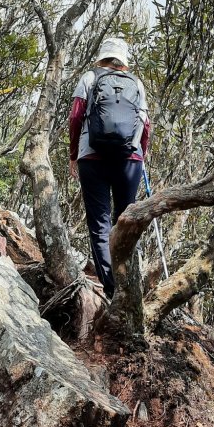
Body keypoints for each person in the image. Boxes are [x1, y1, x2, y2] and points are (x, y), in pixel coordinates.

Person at [69, 36, 150, 299]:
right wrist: (141, 154)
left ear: (102, 56)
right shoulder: (136, 83)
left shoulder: (90, 78)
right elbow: (145, 123)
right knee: (125, 223)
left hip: (92, 159)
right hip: (130, 161)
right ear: (124, 61)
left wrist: (73, 155)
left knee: (100, 226)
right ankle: (129, 286)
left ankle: (112, 287)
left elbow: (75, 117)